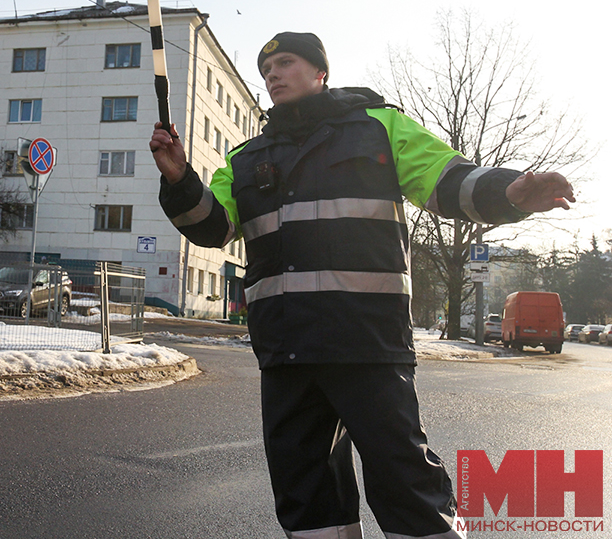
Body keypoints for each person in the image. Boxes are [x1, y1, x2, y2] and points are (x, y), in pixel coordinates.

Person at [150, 32, 574, 539]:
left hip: (366, 341)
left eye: (286, 63)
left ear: (320, 72)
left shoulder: (378, 126)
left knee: (405, 483)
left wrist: (509, 192)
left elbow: (446, 178)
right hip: (287, 351)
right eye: (267, 71)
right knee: (305, 492)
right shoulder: (245, 157)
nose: (274, 76)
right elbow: (213, 227)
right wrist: (179, 180)